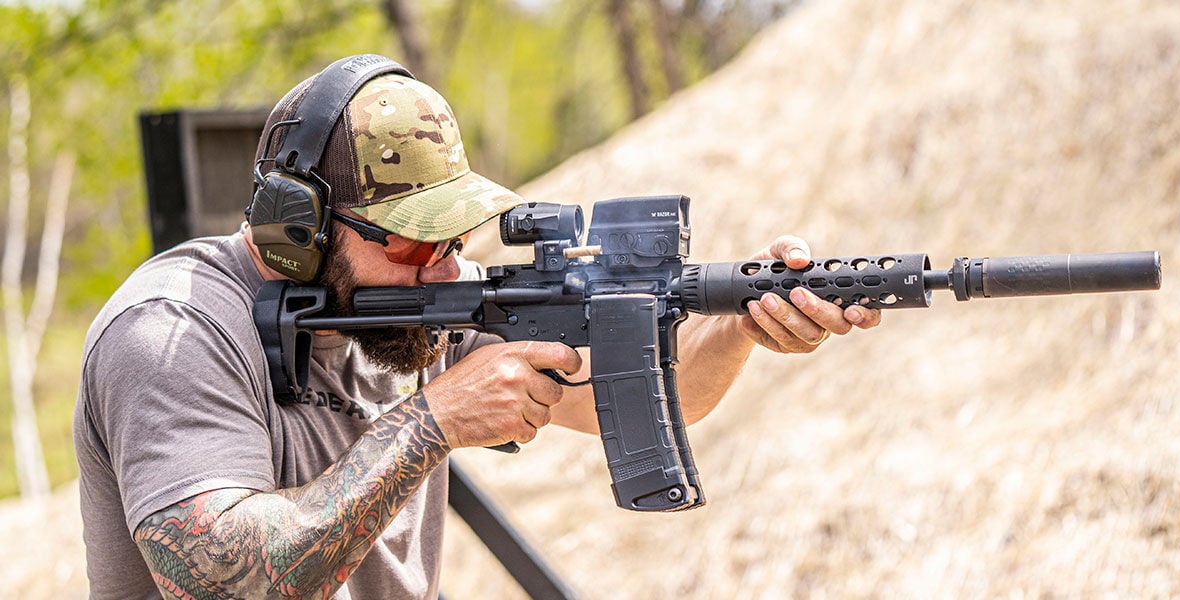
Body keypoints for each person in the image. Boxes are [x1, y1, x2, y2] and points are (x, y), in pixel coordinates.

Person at [73, 55, 881, 599]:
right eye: (416, 240)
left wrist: (742, 322)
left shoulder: (416, 306)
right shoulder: (173, 332)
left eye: (455, 235)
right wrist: (431, 422)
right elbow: (220, 579)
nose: (446, 266)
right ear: (300, 226)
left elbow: (650, 397)